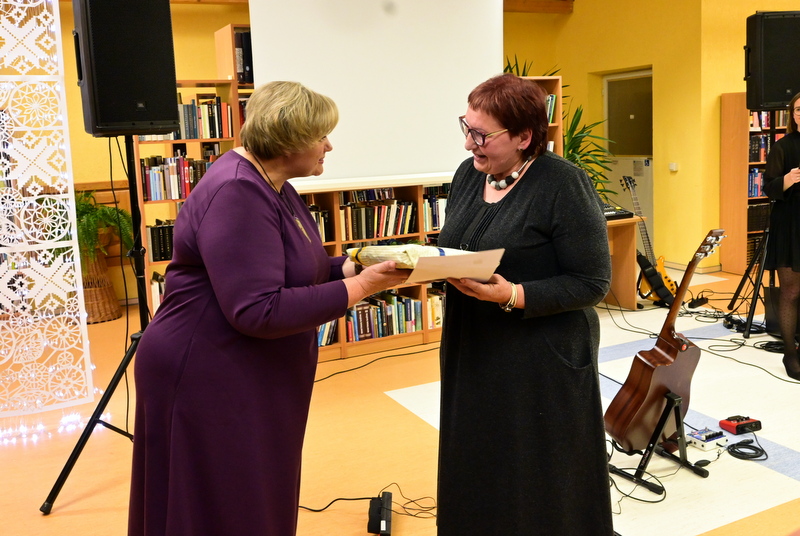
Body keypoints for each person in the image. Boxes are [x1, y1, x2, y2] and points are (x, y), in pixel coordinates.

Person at [127, 81, 409, 536]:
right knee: (225, 505)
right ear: (290, 141)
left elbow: (293, 267)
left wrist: (354, 264)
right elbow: (259, 309)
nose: (329, 146)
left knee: (248, 497)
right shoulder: (238, 191)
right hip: (205, 371)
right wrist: (361, 286)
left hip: (241, 368)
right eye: (322, 136)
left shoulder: (273, 183)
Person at [436, 73, 615, 535]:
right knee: (479, 456)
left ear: (524, 137)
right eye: (467, 128)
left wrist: (513, 294)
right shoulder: (468, 174)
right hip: (473, 345)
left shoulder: (564, 183)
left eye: (482, 135)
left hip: (540, 356)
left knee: (536, 471)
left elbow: (592, 282)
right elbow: (459, 244)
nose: (469, 144)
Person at [762, 91, 800, 381]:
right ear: (792, 115)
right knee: (791, 291)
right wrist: (786, 180)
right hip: (791, 226)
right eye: (798, 110)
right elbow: (768, 187)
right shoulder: (782, 146)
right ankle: (790, 353)